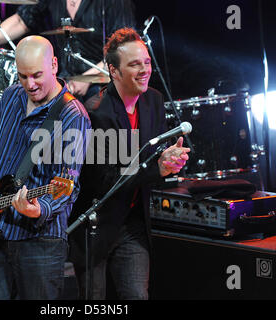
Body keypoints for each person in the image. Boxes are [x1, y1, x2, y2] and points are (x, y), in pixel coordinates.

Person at [0, 35, 91, 300]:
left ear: (54, 65)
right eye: (23, 76)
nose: (30, 84)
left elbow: (68, 185)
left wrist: (39, 208)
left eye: (37, 75)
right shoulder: (11, 95)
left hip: (40, 242)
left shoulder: (73, 115)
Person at [68, 28, 190, 300]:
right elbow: (106, 181)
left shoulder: (154, 101)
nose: (144, 69)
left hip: (133, 222)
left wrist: (169, 163)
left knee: (137, 295)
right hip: (95, 226)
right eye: (135, 64)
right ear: (114, 71)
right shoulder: (97, 112)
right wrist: (157, 167)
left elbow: (151, 159)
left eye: (146, 62)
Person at [0, 0, 136, 101]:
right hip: (65, 82)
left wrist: (88, 79)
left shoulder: (115, 3)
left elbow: (123, 50)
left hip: (105, 83)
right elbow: (22, 20)